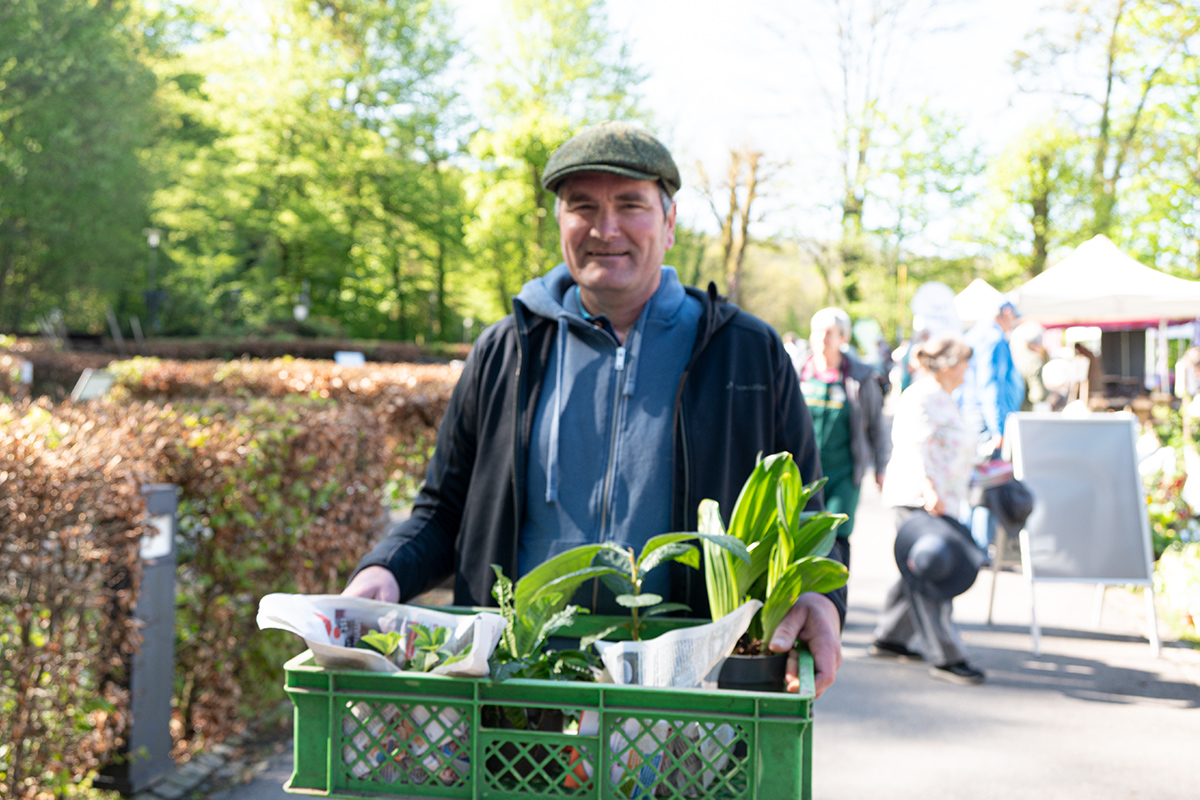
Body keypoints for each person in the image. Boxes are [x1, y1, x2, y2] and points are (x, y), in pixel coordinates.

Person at [342, 122, 846, 696]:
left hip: (691, 698)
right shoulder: (506, 351)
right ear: (560, 223)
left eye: (630, 204)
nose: (605, 229)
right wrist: (385, 569)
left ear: (670, 221)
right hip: (513, 688)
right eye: (582, 206)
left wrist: (820, 600)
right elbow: (444, 510)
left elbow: (806, 520)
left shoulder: (747, 354)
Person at [871, 336, 987, 685]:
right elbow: (913, 446)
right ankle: (947, 656)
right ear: (950, 365)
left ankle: (890, 638)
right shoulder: (920, 397)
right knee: (932, 570)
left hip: (943, 498)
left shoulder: (944, 398)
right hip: (921, 498)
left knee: (914, 568)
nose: (968, 370)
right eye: (965, 362)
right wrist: (929, 488)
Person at [798, 307, 890, 567]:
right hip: (802, 471)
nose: (821, 338)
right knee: (803, 532)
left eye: (829, 333)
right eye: (817, 332)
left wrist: (881, 467)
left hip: (843, 473)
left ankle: (834, 597)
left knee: (836, 535)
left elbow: (876, 426)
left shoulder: (860, 377)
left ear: (843, 338)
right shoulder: (797, 371)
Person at [959, 300, 1024, 456]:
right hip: (985, 419)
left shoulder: (975, 334)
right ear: (1007, 312)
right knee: (992, 475)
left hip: (973, 413)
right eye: (1014, 317)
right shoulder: (993, 338)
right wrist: (998, 428)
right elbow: (990, 383)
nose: (1014, 323)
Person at [1010, 321, 1049, 411]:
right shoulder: (1034, 360)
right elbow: (1038, 395)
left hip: (1006, 410)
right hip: (1023, 412)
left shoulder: (1010, 354)